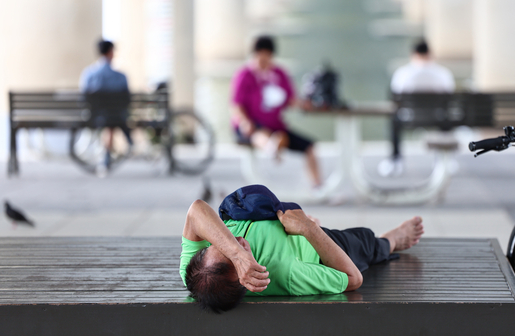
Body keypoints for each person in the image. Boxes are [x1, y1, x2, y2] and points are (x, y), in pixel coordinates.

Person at [179, 185, 424, 313]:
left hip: (283, 221)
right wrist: (309, 229)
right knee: (364, 242)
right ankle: (391, 240)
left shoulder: (194, 274)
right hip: (318, 246)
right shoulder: (287, 274)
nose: (239, 241)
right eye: (239, 263)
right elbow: (353, 278)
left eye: (224, 244)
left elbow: (196, 210)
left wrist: (236, 254)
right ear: (246, 282)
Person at [231, 35, 322, 187]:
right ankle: (272, 147)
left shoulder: (280, 74)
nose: (264, 62)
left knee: (309, 147)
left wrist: (305, 104)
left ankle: (318, 186)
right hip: (251, 126)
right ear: (254, 55)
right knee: (259, 133)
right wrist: (245, 121)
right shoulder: (244, 75)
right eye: (260, 58)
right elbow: (236, 105)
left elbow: (291, 100)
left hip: (276, 127)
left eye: (267, 57)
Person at [378, 39, 455, 177]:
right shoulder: (443, 73)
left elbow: (395, 98)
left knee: (394, 119)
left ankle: (395, 159)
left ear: (413, 54)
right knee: (447, 114)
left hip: (409, 118)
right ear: (430, 53)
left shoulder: (402, 73)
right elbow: (449, 96)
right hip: (437, 119)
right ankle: (444, 159)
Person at [79, 39, 132, 175]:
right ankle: (126, 143)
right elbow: (127, 99)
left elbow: (83, 96)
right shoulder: (120, 76)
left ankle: (106, 158)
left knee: (109, 120)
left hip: (95, 116)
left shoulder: (89, 73)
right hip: (117, 117)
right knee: (113, 119)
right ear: (111, 52)